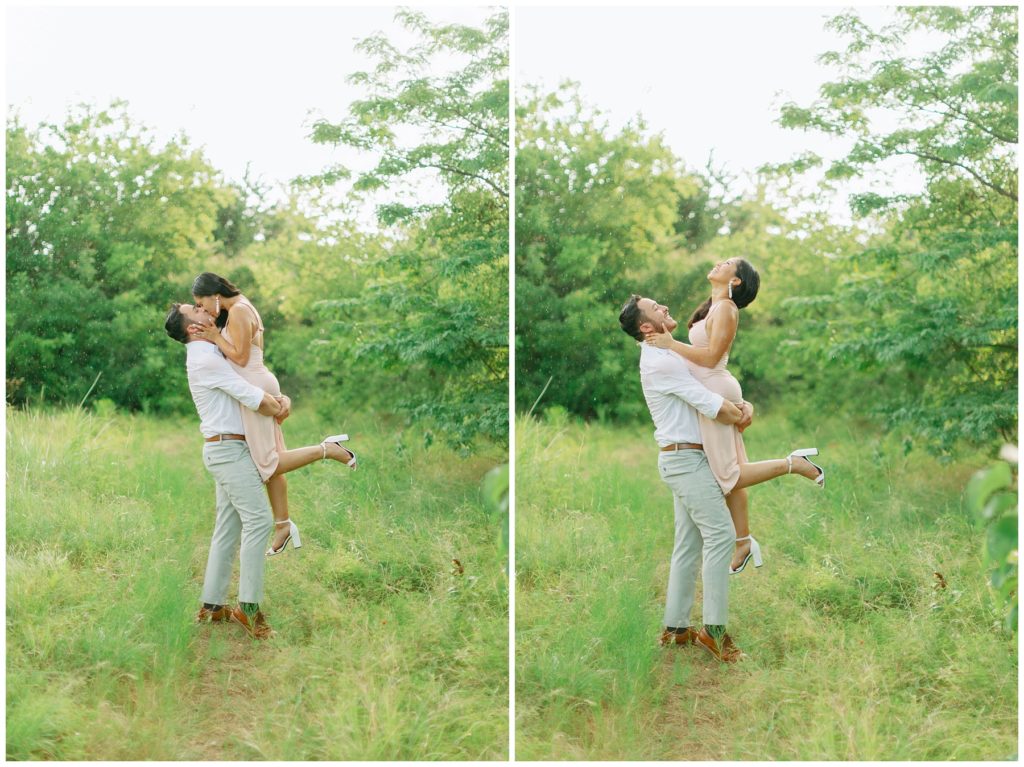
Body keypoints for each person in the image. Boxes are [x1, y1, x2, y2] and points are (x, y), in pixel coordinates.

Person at [165, 301, 355, 639]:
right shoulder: (205, 359)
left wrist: (280, 400)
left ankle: (211, 607)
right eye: (196, 311)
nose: (205, 311)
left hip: (230, 447)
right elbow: (252, 396)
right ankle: (248, 610)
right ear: (192, 328)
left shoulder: (215, 352)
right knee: (259, 521)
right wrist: (278, 405)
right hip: (228, 450)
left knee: (228, 526)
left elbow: (254, 377)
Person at [644, 258, 824, 574]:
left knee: (726, 474)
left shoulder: (727, 307)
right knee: (732, 471)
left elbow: (712, 358)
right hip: (715, 391)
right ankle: (743, 540)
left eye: (727, 263)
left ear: (736, 280)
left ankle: (793, 464)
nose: (718, 263)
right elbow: (702, 360)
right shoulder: (713, 308)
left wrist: (671, 345)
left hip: (714, 392)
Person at [619, 293, 752, 662]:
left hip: (687, 457)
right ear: (646, 326)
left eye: (660, 303)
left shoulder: (669, 353)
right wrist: (738, 413)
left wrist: (742, 405)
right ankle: (715, 633)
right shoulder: (660, 363)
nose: (664, 306)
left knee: (689, 544)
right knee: (722, 535)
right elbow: (713, 405)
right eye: (655, 308)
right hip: (684, 460)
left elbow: (714, 382)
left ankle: (677, 629)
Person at [189, 272, 357, 556]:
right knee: (273, 459)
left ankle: (326, 449)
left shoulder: (240, 310)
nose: (203, 309)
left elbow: (241, 357)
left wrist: (216, 336)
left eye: (202, 302)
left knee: (266, 461)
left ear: (215, 294)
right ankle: (283, 524)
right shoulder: (238, 309)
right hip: (257, 384)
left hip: (254, 388)